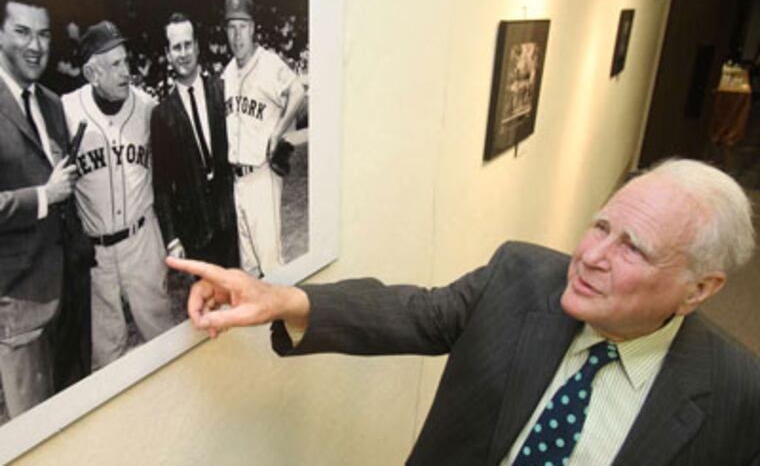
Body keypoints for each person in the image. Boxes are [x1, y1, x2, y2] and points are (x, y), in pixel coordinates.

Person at [169, 159, 760, 465]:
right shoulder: (523, 276)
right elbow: (418, 313)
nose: (591, 256)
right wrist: (280, 298)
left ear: (698, 289)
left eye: (633, 247)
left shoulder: (739, 397)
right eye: (600, 225)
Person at [62, 21, 173, 371]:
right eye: (115, 65)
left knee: (163, 338)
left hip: (142, 240)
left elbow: (168, 176)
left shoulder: (147, 107)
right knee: (106, 355)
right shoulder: (65, 112)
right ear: (91, 73)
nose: (127, 71)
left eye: (126, 61)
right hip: (95, 255)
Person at [0, 0, 91, 417]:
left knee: (76, 422)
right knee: (36, 433)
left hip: (70, 295)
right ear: (1, 34)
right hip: (20, 306)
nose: (35, 45)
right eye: (22, 32)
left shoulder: (53, 104)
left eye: (43, 33)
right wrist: (44, 196)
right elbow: (49, 192)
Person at [221, 0, 306, 277]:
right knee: (249, 268)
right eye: (231, 27)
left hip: (262, 176)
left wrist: (277, 132)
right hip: (237, 181)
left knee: (272, 267)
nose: (237, 35)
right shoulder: (227, 73)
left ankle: (283, 323)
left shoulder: (268, 63)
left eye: (243, 26)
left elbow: (297, 91)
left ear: (253, 28)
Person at [150, 13, 238, 268]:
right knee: (211, 304)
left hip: (233, 220)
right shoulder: (161, 115)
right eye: (176, 47)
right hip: (197, 233)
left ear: (197, 47)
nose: (184, 52)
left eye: (188, 44)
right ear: (168, 54)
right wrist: (172, 239)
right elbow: (162, 185)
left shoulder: (222, 91)